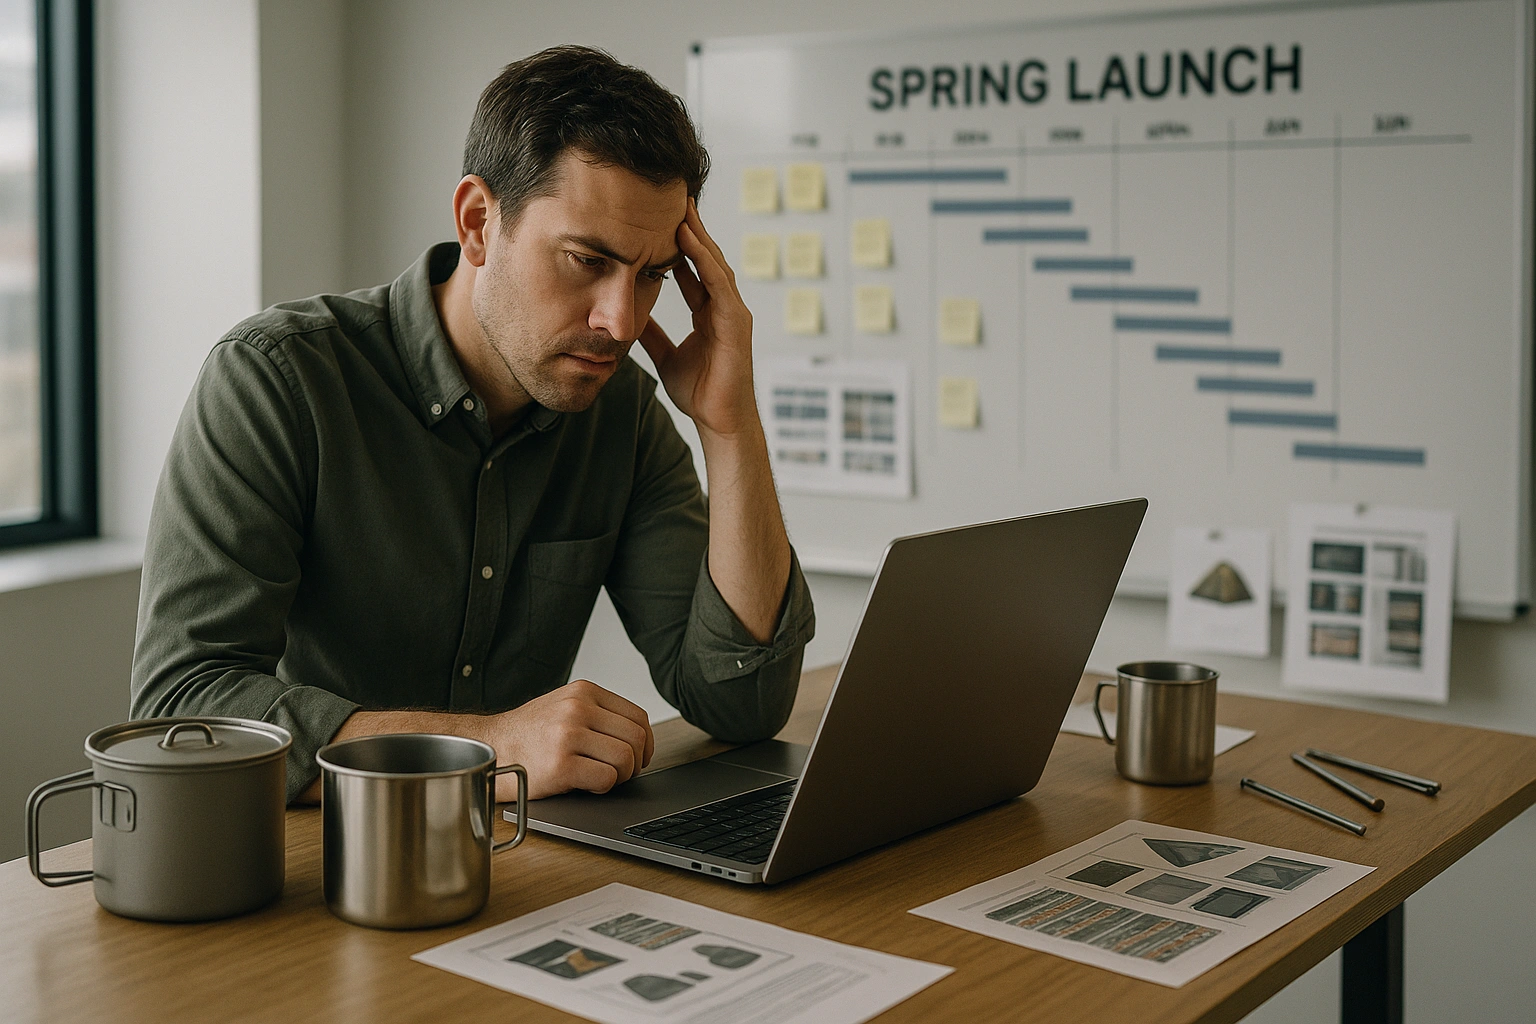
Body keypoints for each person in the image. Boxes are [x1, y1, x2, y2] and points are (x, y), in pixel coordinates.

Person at [130, 46, 814, 804]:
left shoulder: (621, 414)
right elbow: (180, 710)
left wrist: (730, 423)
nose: (621, 322)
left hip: (523, 861)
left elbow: (742, 703)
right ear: (479, 222)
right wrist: (481, 748)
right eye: (588, 260)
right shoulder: (276, 381)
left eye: (651, 274)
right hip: (315, 867)